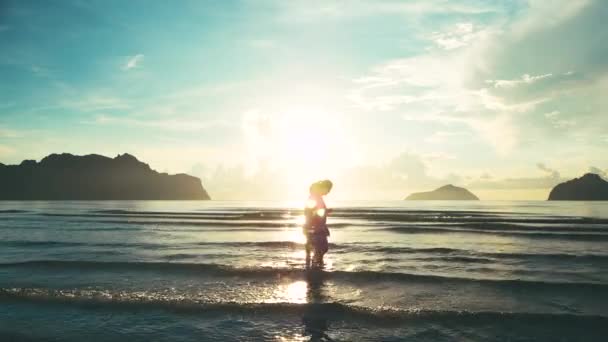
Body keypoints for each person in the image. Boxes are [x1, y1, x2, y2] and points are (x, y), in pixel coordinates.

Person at [303, 179, 333, 268]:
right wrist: (324, 211)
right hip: (316, 226)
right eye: (328, 190)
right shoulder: (314, 197)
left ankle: (314, 266)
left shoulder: (316, 197)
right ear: (323, 187)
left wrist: (325, 211)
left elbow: (312, 211)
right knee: (322, 248)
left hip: (313, 226)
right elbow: (311, 212)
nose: (328, 193)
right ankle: (316, 267)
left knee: (317, 248)